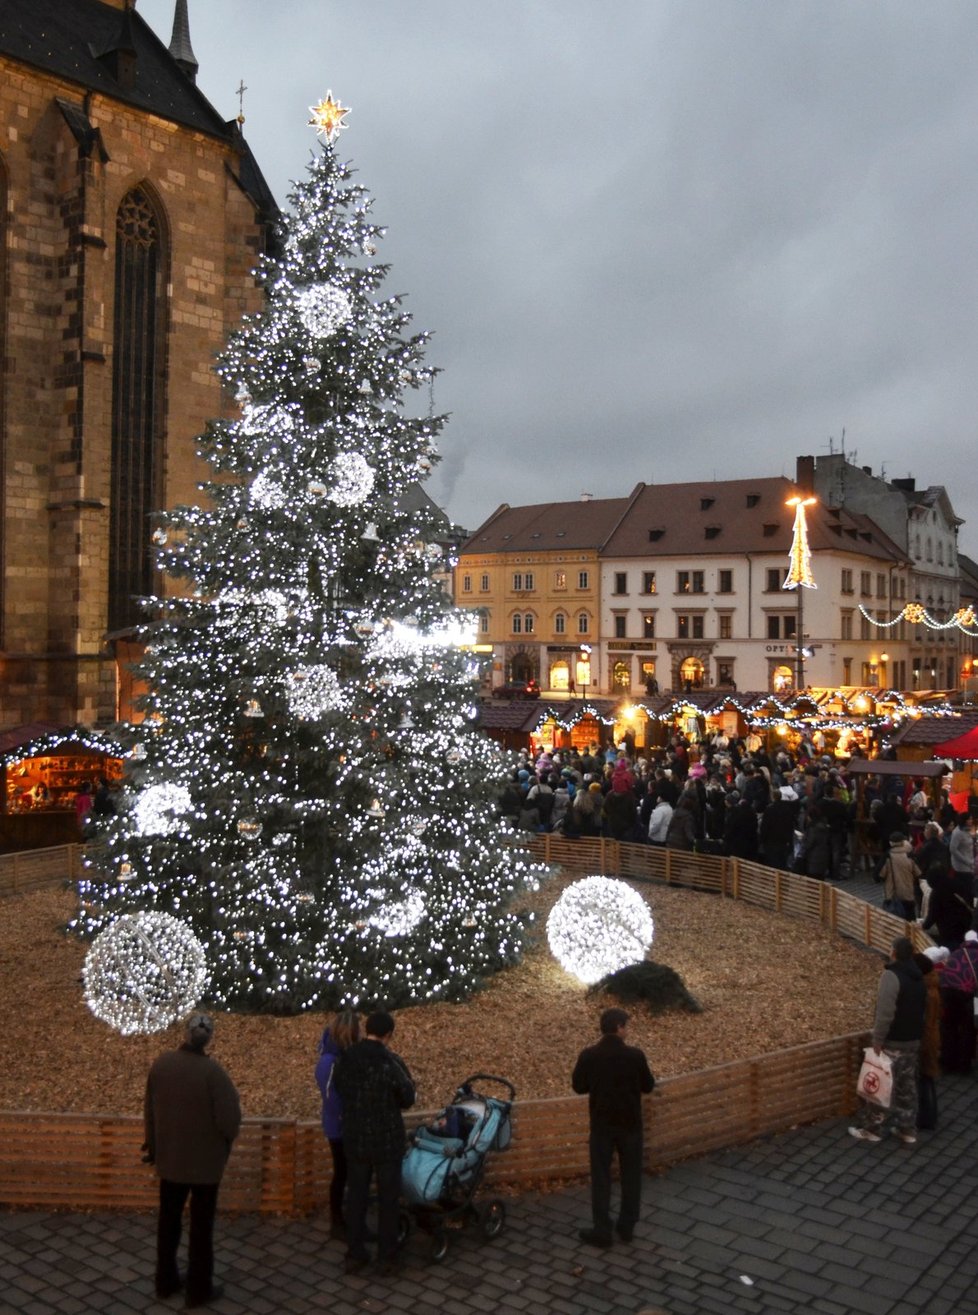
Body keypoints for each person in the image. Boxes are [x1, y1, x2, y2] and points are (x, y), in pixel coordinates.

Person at [144, 1013, 241, 1307]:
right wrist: (224, 1144)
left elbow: (150, 1110)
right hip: (205, 1166)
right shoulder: (213, 1074)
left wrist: (155, 1146)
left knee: (168, 1223)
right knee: (201, 1229)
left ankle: (165, 1280)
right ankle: (198, 1289)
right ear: (208, 1038)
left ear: (184, 1034)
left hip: (170, 1160)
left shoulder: (161, 1065)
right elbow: (229, 1119)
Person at [332, 1010, 415, 1276]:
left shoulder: (347, 1058)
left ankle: (355, 1254)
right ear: (389, 1035)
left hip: (356, 1139)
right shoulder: (390, 1063)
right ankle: (387, 1258)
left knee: (357, 1196)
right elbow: (407, 1097)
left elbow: (340, 1088)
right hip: (386, 1142)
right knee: (388, 1200)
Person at [571, 1007, 655, 1247]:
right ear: (619, 1027)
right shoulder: (635, 1056)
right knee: (631, 1176)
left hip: (602, 1126)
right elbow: (648, 1086)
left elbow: (578, 1086)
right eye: (626, 1026)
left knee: (601, 1177)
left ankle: (601, 1229)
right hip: (630, 1125)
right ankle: (627, 1226)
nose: (627, 1030)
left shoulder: (589, 1055)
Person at [849, 937, 926, 1145]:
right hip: (912, 1040)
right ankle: (907, 1129)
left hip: (893, 1041)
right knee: (906, 1087)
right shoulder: (919, 977)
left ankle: (872, 1128)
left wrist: (877, 1039)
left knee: (878, 1085)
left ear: (894, 953)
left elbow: (885, 1013)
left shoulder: (891, 976)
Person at [315, 1008, 361, 1238]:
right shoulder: (330, 1061)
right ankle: (337, 1220)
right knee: (342, 1171)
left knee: (347, 1171)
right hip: (339, 1126)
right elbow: (329, 1095)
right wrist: (345, 1116)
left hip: (344, 1123)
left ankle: (346, 1217)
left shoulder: (339, 1056)